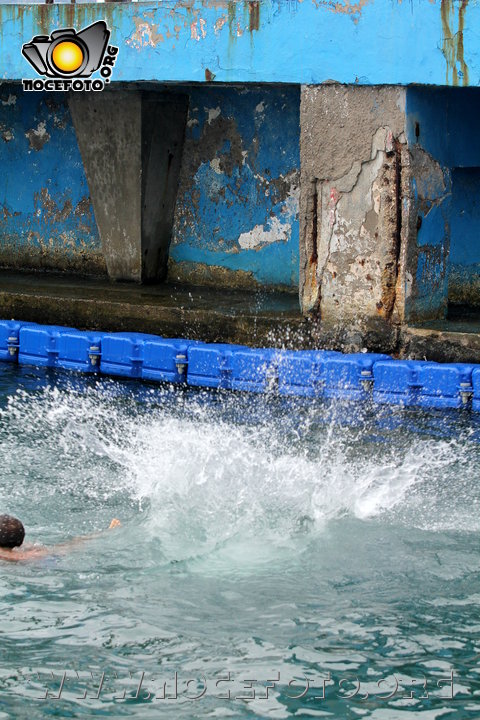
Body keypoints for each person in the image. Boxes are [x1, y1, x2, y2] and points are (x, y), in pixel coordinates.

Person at [0, 514, 121, 562]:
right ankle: (105, 533)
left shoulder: (8, 556)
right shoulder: (33, 552)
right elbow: (70, 547)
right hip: (46, 560)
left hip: (41, 564)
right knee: (67, 546)